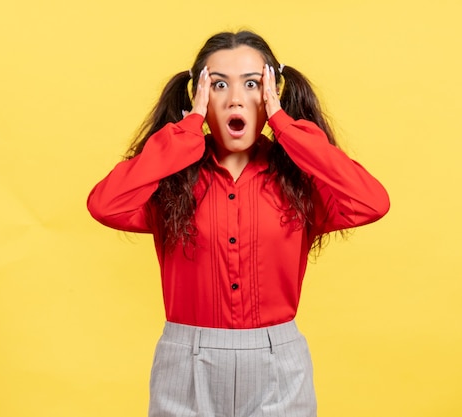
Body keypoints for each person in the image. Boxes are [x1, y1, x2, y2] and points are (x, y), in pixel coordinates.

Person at [87, 30, 389, 417]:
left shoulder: (298, 181)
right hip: (186, 361)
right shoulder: (171, 183)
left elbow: (372, 201)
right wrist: (185, 132)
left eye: (251, 84)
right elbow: (104, 204)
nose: (235, 99)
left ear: (269, 94)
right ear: (198, 96)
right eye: (217, 85)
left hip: (277, 361)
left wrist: (285, 125)